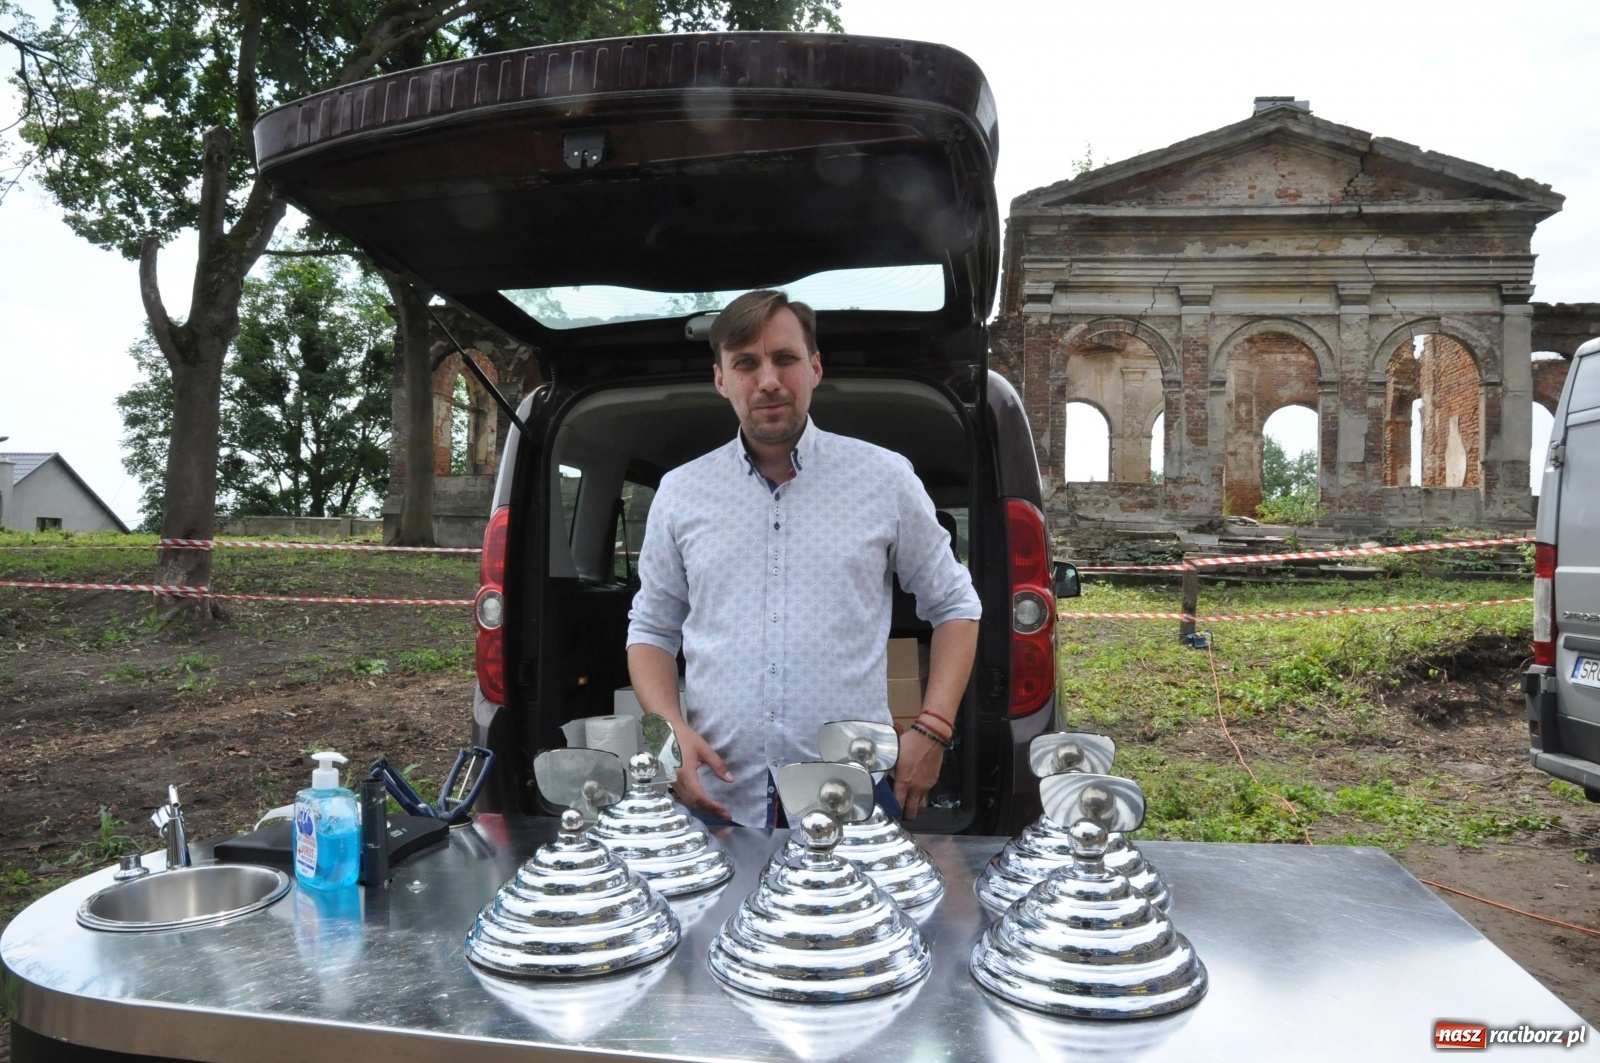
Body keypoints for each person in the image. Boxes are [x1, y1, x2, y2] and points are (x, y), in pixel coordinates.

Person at [625, 289, 981, 827]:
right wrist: (667, 733)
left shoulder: (884, 479)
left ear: (814, 368)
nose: (768, 380)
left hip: (853, 789)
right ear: (721, 379)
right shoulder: (680, 493)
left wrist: (933, 729)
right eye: (746, 363)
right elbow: (651, 629)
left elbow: (955, 604)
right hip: (721, 794)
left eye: (785, 359)